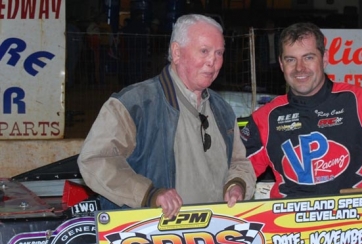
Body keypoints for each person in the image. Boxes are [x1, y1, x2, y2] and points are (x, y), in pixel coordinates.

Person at [78, 14, 256, 218]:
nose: (212, 62)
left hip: (214, 237)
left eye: (219, 53)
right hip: (151, 239)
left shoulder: (223, 110)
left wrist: (237, 185)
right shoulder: (136, 104)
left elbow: (239, 163)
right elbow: (95, 160)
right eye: (204, 51)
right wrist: (149, 194)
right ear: (177, 52)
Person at [241, 22, 362, 200]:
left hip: (356, 224)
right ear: (281, 65)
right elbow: (240, 166)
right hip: (291, 229)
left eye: (308, 57)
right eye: (291, 59)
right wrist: (236, 185)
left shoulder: (361, 102)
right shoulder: (263, 118)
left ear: (324, 59)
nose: (300, 68)